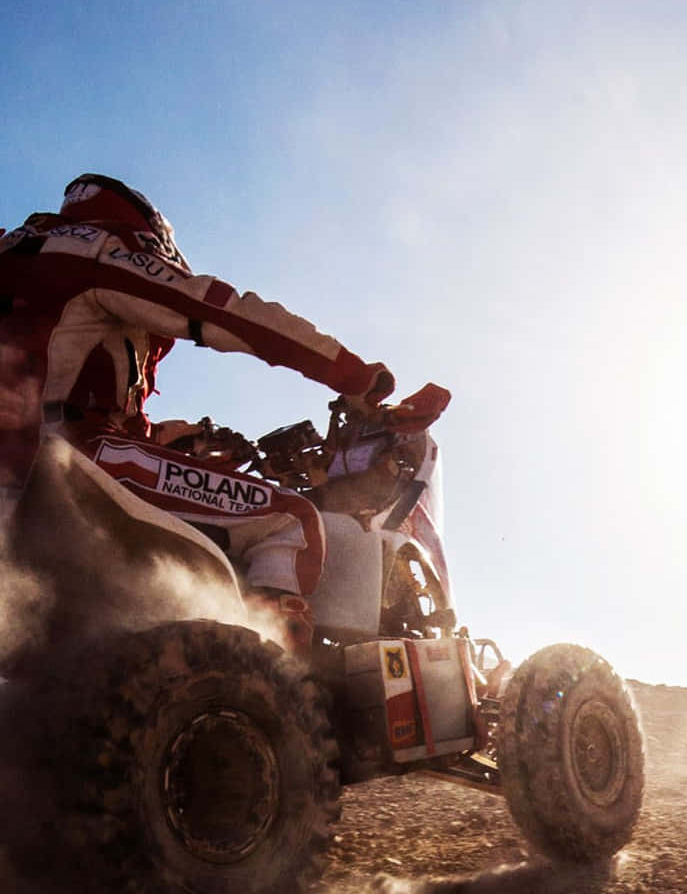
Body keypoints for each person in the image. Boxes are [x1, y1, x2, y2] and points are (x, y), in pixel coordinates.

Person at [0, 174, 449, 647]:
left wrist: (185, 446)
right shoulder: (102, 250)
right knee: (291, 520)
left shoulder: (19, 251)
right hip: (64, 453)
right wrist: (353, 376)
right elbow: (224, 313)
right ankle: (273, 688)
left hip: (27, 467)